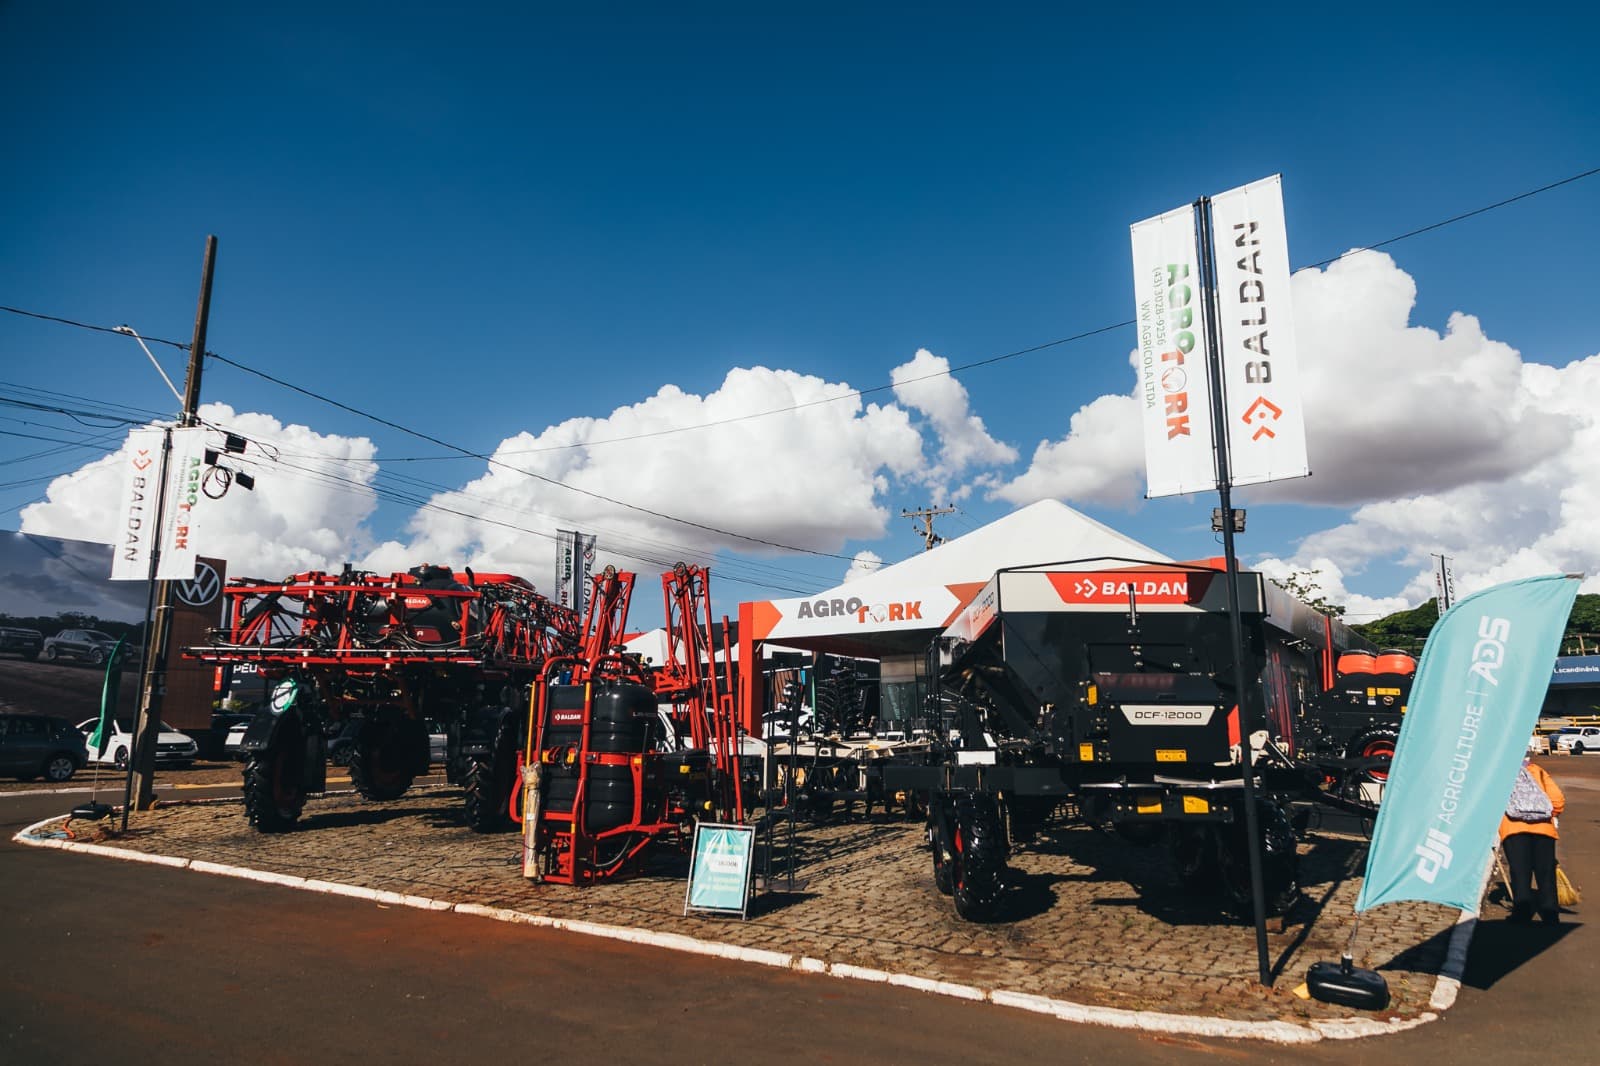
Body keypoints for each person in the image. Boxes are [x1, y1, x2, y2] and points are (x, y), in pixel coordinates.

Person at [1500, 755, 1566, 924]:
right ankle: (1550, 913)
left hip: (1513, 829)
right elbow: (1557, 800)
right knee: (1545, 872)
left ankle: (1522, 912)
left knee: (1520, 871)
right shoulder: (1538, 772)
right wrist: (1545, 814)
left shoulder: (1502, 774)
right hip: (1544, 829)